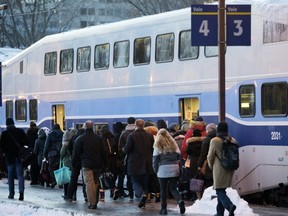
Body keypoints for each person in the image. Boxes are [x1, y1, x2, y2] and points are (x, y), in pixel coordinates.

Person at [73, 120, 108, 209]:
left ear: (84, 127)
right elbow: (104, 152)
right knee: (96, 182)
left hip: (86, 164)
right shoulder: (99, 138)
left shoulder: (80, 139)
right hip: (97, 164)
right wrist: (105, 164)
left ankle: (92, 203)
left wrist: (74, 163)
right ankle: (95, 201)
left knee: (89, 183)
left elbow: (76, 153)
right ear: (92, 127)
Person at [153, 128, 186, 215]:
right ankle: (180, 201)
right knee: (173, 188)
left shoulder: (157, 145)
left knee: (163, 190)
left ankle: (163, 209)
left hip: (162, 170)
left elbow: (155, 161)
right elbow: (179, 156)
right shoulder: (174, 144)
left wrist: (156, 171)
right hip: (174, 168)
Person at [207, 121, 237, 216]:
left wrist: (211, 166)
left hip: (219, 169)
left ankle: (229, 206)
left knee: (219, 190)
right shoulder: (232, 140)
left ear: (218, 129)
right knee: (222, 190)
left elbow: (210, 156)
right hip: (230, 168)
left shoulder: (215, 140)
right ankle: (219, 213)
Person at [124, 119, 154, 209]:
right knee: (145, 181)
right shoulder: (150, 136)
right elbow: (152, 149)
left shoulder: (131, 136)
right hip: (147, 163)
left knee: (135, 180)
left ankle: (141, 195)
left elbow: (127, 149)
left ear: (136, 125)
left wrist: (123, 149)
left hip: (134, 163)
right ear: (143, 125)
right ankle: (145, 195)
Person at [0, 118, 30, 201]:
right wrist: (22, 147)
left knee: (10, 176)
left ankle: (11, 193)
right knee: (20, 175)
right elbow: (27, 141)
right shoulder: (20, 131)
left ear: (6, 124)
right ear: (13, 123)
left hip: (9, 158)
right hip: (19, 157)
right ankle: (21, 194)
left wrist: (6, 152)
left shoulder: (4, 133)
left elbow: (1, 146)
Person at [116, 117, 136, 201]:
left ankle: (131, 194)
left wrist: (123, 157)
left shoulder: (124, 134)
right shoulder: (137, 132)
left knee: (127, 177)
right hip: (138, 159)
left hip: (127, 159)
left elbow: (120, 148)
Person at [66, 128, 87, 202]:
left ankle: (71, 195)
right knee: (85, 179)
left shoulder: (74, 137)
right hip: (84, 160)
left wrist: (72, 155)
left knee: (74, 178)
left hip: (75, 160)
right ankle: (86, 195)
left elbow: (69, 148)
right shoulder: (84, 139)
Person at [197, 123, 217, 198]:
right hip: (217, 164)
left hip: (207, 164)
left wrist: (199, 165)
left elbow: (203, 154)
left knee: (207, 182)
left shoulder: (206, 140)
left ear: (209, 130)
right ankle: (214, 198)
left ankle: (204, 198)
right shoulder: (218, 138)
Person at [99, 125, 118, 201]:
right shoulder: (113, 138)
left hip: (104, 161)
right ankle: (113, 190)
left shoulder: (100, 139)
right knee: (112, 176)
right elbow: (116, 149)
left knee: (102, 178)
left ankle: (102, 197)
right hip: (113, 160)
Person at [43, 123, 64, 188]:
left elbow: (47, 145)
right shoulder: (63, 134)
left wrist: (44, 154)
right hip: (61, 152)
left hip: (52, 153)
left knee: (51, 167)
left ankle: (54, 180)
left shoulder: (50, 134)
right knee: (60, 167)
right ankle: (60, 182)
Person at [60, 128, 77, 200]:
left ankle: (67, 194)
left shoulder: (66, 144)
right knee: (73, 180)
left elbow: (62, 154)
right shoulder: (76, 141)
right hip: (75, 163)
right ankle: (74, 195)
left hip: (67, 163)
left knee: (66, 181)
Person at [26, 121, 40, 185]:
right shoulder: (38, 132)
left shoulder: (28, 133)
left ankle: (33, 180)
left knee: (32, 166)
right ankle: (39, 179)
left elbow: (26, 142)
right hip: (38, 151)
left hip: (31, 151)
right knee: (38, 165)